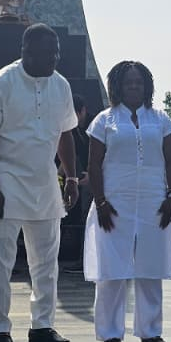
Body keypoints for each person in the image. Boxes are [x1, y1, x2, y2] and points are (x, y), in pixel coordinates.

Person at [0, 23, 78, 342]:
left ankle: (43, 325)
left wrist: (72, 177)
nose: (54, 59)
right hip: (4, 182)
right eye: (47, 53)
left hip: (45, 183)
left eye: (57, 53)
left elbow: (66, 134)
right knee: (0, 262)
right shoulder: (0, 83)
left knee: (46, 262)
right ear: (26, 52)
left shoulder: (60, 85)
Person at [86, 61, 171, 342]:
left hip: (154, 203)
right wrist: (100, 201)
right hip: (115, 202)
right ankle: (110, 333)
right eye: (128, 82)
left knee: (150, 269)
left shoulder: (161, 120)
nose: (134, 87)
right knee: (112, 270)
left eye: (139, 82)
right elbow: (93, 165)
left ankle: (150, 332)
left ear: (147, 85)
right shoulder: (104, 120)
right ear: (117, 86)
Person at [59, 92, 93, 272]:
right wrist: (60, 178)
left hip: (100, 178)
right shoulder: (73, 129)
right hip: (84, 178)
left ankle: (86, 261)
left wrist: (93, 176)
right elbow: (68, 155)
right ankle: (82, 260)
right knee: (83, 217)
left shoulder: (95, 125)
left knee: (90, 218)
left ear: (83, 111)